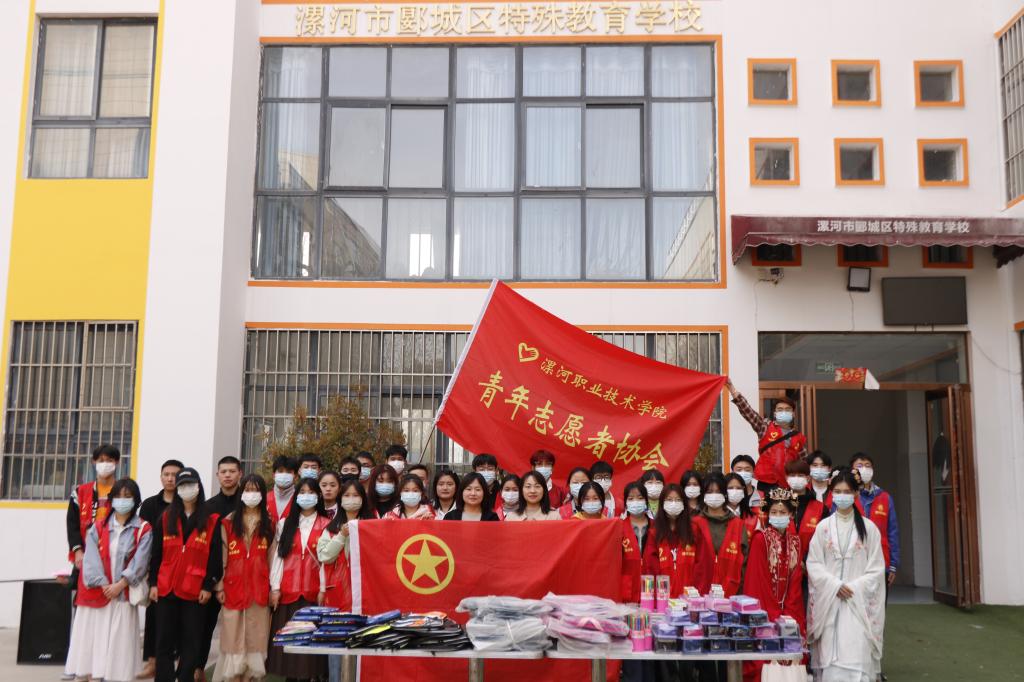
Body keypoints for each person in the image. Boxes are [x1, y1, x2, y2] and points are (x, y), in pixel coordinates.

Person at [65, 478, 152, 682]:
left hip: (122, 596)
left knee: (118, 651)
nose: (122, 500)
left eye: (128, 496)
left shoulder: (143, 529)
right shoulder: (97, 527)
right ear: (111, 499)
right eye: (118, 496)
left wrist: (120, 584)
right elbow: (90, 559)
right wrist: (105, 585)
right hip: (98, 596)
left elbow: (141, 561)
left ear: (136, 500)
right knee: (92, 646)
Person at [807, 469, 886, 682]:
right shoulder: (823, 528)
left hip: (857, 605)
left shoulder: (869, 529)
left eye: (847, 492)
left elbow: (877, 569)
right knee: (831, 664)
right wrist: (834, 585)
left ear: (856, 494)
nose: (842, 496)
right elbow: (813, 564)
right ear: (831, 493)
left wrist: (852, 588)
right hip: (830, 603)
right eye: (838, 491)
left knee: (857, 657)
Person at [149, 468, 223, 682]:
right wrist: (153, 583)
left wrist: (208, 585)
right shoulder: (166, 518)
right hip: (167, 588)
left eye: (190, 484)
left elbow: (216, 558)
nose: (186, 489)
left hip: (195, 590)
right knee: (163, 642)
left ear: (198, 487)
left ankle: (185, 678)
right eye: (182, 485)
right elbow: (156, 554)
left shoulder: (212, 520)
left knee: (191, 643)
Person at [211, 474, 274, 682]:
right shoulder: (228, 522)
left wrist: (274, 588)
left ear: (262, 494)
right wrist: (220, 586)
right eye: (247, 490)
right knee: (233, 640)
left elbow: (273, 558)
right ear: (241, 493)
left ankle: (251, 677)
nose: (251, 494)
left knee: (256, 639)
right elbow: (222, 556)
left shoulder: (270, 523)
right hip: (233, 588)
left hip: (259, 589)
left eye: (256, 490)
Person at [266, 479, 329, 681]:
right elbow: (279, 558)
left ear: (318, 496)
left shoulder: (326, 524)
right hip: (288, 592)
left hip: (313, 594)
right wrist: (275, 587)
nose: (306, 496)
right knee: (290, 648)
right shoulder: (285, 524)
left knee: (310, 654)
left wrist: (323, 589)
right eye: (302, 492)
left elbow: (325, 561)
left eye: (311, 492)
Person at [742, 488, 806, 682]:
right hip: (765, 612)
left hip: (790, 611)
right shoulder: (760, 539)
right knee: (765, 662)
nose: (778, 516)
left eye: (783, 512)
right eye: (774, 512)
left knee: (792, 658)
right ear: (768, 514)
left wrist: (790, 617)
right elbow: (757, 582)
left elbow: (795, 583)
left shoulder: (796, 542)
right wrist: (774, 616)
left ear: (791, 514)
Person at [317, 479, 372, 682]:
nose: (351, 500)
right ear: (340, 500)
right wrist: (341, 535)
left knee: (364, 647)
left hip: (365, 597)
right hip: (337, 596)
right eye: (347, 495)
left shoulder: (372, 525)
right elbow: (324, 556)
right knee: (336, 647)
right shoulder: (331, 528)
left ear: (363, 499)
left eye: (356, 495)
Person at [138, 458, 183, 679]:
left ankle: (180, 661)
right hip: (156, 568)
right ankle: (152, 661)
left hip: (181, 570)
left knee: (179, 619)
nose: (170, 478)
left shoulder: (186, 504)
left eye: (175, 475)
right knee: (154, 616)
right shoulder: (149, 505)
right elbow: (142, 537)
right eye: (166, 474)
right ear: (161, 477)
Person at [66, 444, 121, 619]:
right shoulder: (80, 492)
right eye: (101, 460)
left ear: (117, 463)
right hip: (86, 557)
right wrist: (77, 551)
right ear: (93, 462)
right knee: (84, 607)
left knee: (110, 605)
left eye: (109, 460)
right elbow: (72, 524)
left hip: (113, 557)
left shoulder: (123, 492)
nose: (105, 464)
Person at [202, 455, 244, 677]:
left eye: (232, 471)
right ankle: (198, 670)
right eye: (223, 472)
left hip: (239, 578)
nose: (228, 475)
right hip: (211, 577)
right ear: (217, 475)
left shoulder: (247, 505)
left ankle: (235, 674)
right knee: (204, 628)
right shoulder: (208, 507)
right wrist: (211, 581)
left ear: (240, 474)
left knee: (237, 630)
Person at [725, 380, 807, 492]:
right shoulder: (765, 427)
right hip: (767, 484)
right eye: (780, 409)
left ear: (793, 414)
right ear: (775, 413)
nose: (783, 412)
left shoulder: (799, 437)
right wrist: (732, 389)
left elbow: (805, 465)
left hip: (789, 485)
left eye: (787, 410)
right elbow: (748, 412)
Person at [620, 482, 657, 682]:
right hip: (628, 595)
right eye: (631, 498)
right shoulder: (618, 527)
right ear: (625, 502)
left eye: (640, 497)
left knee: (651, 644)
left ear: (647, 500)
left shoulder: (657, 527)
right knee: (632, 646)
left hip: (655, 595)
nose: (636, 502)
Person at [648, 484, 712, 598]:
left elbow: (703, 568)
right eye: (669, 500)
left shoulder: (694, 530)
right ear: (662, 503)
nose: (673, 503)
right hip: (663, 600)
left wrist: (696, 597)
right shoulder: (654, 532)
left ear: (684, 504)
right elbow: (651, 569)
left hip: (690, 599)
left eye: (678, 500)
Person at [850, 453, 900, 590]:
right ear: (852, 470)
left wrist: (893, 565)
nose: (864, 469)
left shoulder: (885, 498)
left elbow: (892, 532)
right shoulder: (845, 496)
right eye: (859, 466)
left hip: (881, 560)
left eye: (868, 466)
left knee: (878, 602)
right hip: (852, 562)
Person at [693, 472, 748, 597]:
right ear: (703, 495)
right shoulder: (695, 523)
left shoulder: (738, 524)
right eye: (709, 492)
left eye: (718, 491)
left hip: (731, 593)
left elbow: (745, 562)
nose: (714, 495)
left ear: (725, 494)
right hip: (699, 594)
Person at [788, 459, 828, 558]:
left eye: (800, 475)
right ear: (786, 478)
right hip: (783, 562)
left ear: (808, 478)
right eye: (792, 475)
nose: (796, 478)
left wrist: (804, 561)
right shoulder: (778, 505)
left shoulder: (821, 508)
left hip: (812, 561)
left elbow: (824, 540)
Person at [267, 455, 297, 524]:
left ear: (295, 477)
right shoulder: (264, 499)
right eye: (280, 471)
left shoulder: (300, 500)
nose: (284, 475)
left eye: (289, 472)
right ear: (273, 475)